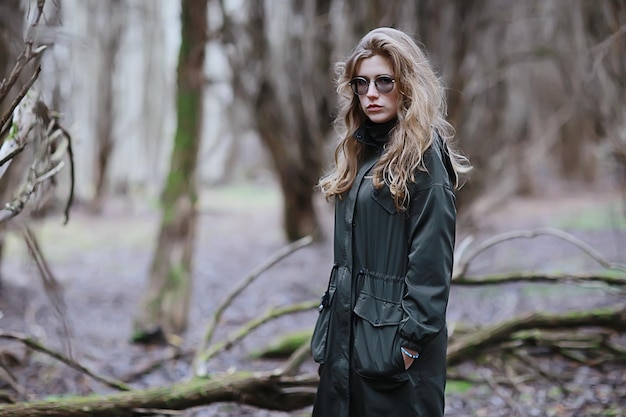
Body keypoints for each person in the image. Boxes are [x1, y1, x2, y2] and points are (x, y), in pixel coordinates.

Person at [310, 27, 471, 417]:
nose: (371, 93)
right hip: (346, 340)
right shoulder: (361, 149)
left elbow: (431, 262)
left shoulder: (424, 157)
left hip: (394, 351)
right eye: (361, 83)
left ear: (407, 84)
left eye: (385, 81)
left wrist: (410, 344)